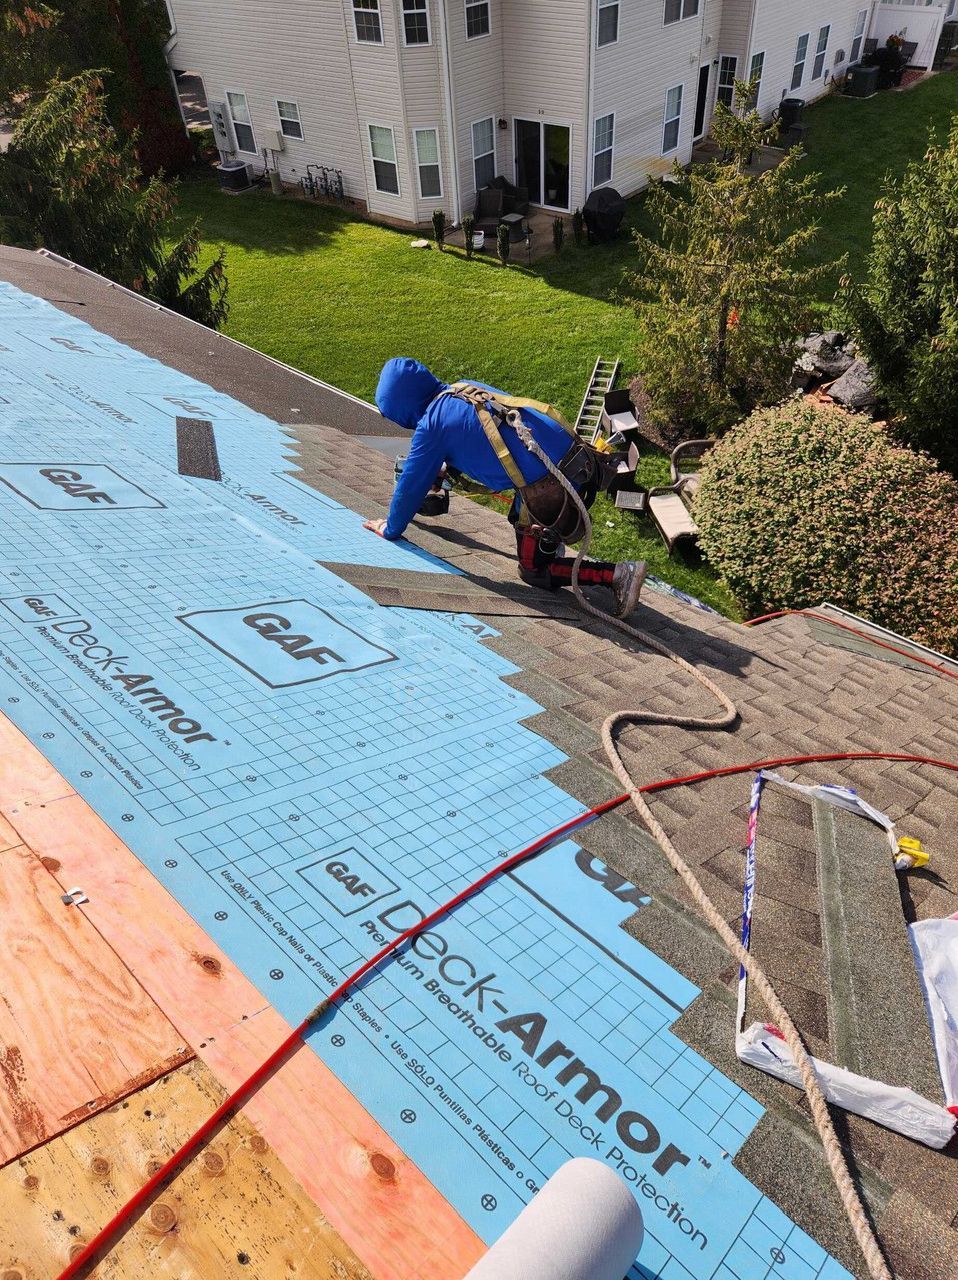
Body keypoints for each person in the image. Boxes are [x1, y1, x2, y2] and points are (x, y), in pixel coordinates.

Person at [363, 358, 646, 617]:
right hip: (578, 461)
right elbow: (487, 436)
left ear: (402, 409)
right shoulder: (463, 389)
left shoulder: (432, 426)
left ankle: (618, 574)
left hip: (554, 488)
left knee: (534, 571)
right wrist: (448, 465)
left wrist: (390, 528)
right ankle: (549, 545)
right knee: (523, 518)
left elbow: (410, 487)